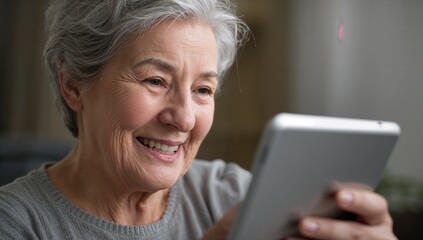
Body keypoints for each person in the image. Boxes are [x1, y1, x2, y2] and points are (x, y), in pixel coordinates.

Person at [0, 0, 397, 239]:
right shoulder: (16, 222)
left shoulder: (232, 195)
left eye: (203, 89)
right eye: (155, 80)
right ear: (73, 84)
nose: (185, 118)